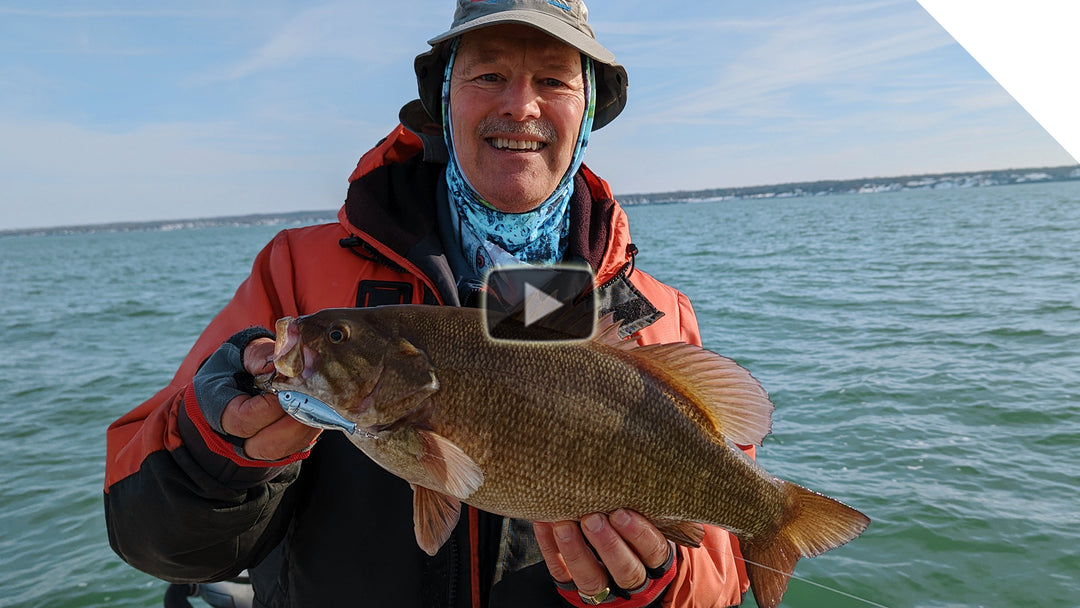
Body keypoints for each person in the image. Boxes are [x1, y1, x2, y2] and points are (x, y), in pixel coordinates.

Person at [104, 1, 755, 606]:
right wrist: (216, 452)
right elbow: (151, 537)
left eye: (554, 81)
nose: (521, 105)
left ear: (587, 111)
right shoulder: (298, 274)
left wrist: (652, 582)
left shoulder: (654, 314)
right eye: (489, 74)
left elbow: (722, 582)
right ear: (444, 98)